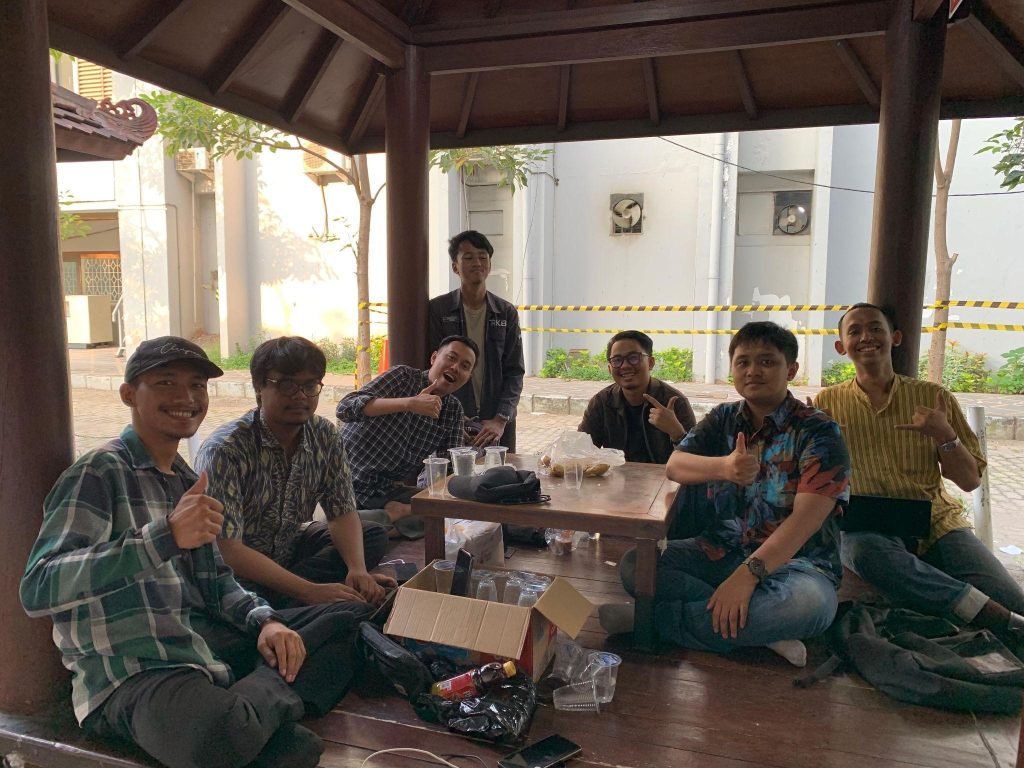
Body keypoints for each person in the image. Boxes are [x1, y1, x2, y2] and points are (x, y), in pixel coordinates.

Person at [20, 337, 372, 768]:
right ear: (129, 394)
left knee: (350, 618)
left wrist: (266, 622)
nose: (186, 397)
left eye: (197, 385)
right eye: (166, 382)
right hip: (135, 671)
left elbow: (217, 579)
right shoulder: (100, 472)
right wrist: (163, 537)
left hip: (197, 645)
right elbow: (39, 587)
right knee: (270, 745)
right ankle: (261, 706)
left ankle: (251, 706)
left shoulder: (186, 480)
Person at [602, 322, 850, 668]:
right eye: (743, 362)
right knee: (635, 565)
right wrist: (724, 468)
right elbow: (675, 466)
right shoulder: (723, 418)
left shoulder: (819, 430)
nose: (753, 371)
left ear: (791, 370)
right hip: (719, 550)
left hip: (797, 565)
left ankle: (648, 622)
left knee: (809, 606)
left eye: (767, 362)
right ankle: (762, 631)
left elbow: (806, 521)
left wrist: (747, 576)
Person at [816, 302, 1024, 638]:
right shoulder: (825, 404)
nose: (866, 337)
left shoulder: (932, 398)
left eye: (875, 328)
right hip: (866, 523)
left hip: (934, 520)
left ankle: (989, 613)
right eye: (855, 331)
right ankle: (983, 612)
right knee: (865, 554)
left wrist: (944, 435)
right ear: (842, 347)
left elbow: (969, 481)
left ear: (895, 338)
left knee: (1015, 602)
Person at [195, 336, 391, 610]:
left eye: (310, 386)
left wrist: (357, 571)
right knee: (345, 612)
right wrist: (309, 591)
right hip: (238, 573)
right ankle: (294, 601)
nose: (300, 396)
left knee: (372, 536)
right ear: (259, 387)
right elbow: (228, 550)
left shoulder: (324, 434)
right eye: (286, 385)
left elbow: (342, 511)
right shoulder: (225, 450)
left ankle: (295, 598)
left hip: (290, 550)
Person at [337, 335, 478, 537]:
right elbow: (345, 407)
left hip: (387, 492)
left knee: (454, 508)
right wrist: (409, 403)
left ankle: (384, 521)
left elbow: (449, 471)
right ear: (434, 358)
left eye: (465, 366)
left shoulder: (453, 411)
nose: (455, 367)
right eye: (451, 358)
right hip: (346, 481)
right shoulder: (403, 377)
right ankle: (385, 524)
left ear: (468, 377)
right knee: (338, 523)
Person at [428, 230, 524, 451]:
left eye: (483, 257)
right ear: (455, 267)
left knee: (500, 472)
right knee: (451, 471)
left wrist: (501, 419)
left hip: (496, 424)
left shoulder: (506, 312)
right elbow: (430, 368)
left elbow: (515, 372)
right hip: (451, 417)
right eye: (468, 257)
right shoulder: (439, 309)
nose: (477, 263)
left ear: (489, 265)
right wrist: (450, 416)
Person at [578, 330, 696, 463]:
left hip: (664, 476)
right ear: (610, 368)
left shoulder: (674, 403)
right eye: (617, 360)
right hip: (616, 476)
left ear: (650, 362)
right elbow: (580, 450)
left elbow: (696, 461)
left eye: (633, 357)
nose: (625, 366)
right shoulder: (601, 402)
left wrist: (677, 433)